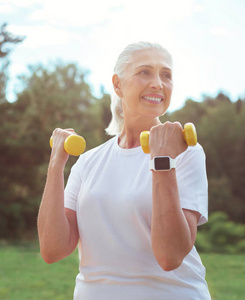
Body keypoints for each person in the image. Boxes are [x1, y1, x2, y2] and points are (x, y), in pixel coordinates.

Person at [37, 41, 211, 300]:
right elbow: (53, 250)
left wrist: (162, 160)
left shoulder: (185, 152)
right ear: (118, 84)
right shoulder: (88, 162)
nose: (157, 83)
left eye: (166, 75)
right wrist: (55, 166)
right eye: (145, 72)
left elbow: (170, 256)